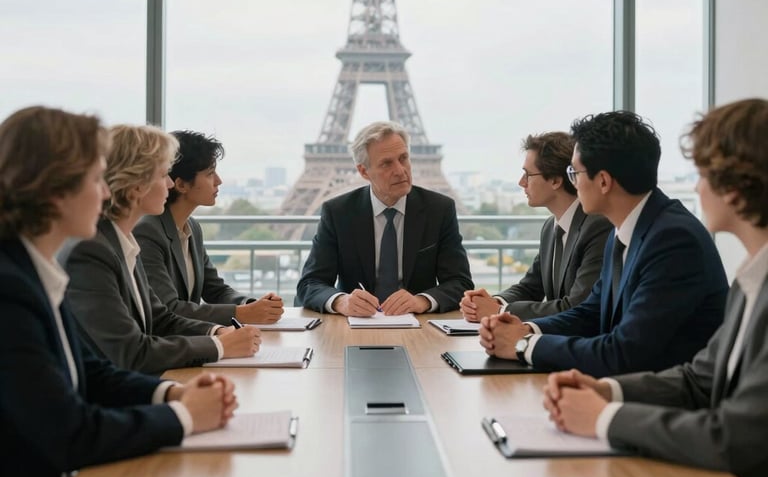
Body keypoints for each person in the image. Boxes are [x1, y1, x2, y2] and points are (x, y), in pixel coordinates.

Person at [0, 107, 237, 477]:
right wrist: (186, 416)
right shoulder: (10, 290)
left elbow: (91, 371)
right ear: (54, 192)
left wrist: (174, 394)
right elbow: (72, 433)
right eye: (95, 179)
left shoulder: (30, 272)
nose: (105, 191)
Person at [544, 98, 768, 477]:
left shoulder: (678, 239)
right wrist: (608, 391)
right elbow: (698, 381)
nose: (696, 188)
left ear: (734, 189)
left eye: (702, 174)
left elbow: (730, 437)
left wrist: (605, 418)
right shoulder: (750, 282)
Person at [479, 111, 728, 376]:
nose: (572, 183)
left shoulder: (674, 240)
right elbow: (591, 311)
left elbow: (624, 352)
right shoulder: (624, 230)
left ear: (603, 181)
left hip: (665, 402)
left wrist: (523, 345)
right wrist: (527, 330)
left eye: (574, 172)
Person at [63, 125, 260, 374]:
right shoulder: (92, 252)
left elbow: (160, 319)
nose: (169, 184)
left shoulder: (120, 242)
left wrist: (217, 331)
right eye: (163, 174)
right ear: (136, 185)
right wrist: (218, 345)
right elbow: (131, 352)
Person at [296, 120, 473, 315]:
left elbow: (461, 283)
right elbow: (310, 283)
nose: (400, 170)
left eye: (403, 158)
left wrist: (422, 301)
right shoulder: (338, 212)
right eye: (387, 163)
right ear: (364, 171)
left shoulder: (439, 210)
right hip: (354, 326)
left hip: (418, 326)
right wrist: (341, 301)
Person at [135, 130, 284, 325]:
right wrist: (242, 314)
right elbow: (168, 308)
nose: (218, 181)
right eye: (210, 173)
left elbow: (215, 289)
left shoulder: (192, 227)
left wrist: (252, 305)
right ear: (181, 185)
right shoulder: (147, 232)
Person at [461, 132, 611, 322]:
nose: (521, 182)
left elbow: (576, 306)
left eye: (528, 174)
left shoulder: (598, 227)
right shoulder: (550, 227)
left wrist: (499, 311)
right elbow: (530, 288)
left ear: (556, 180)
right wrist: (492, 301)